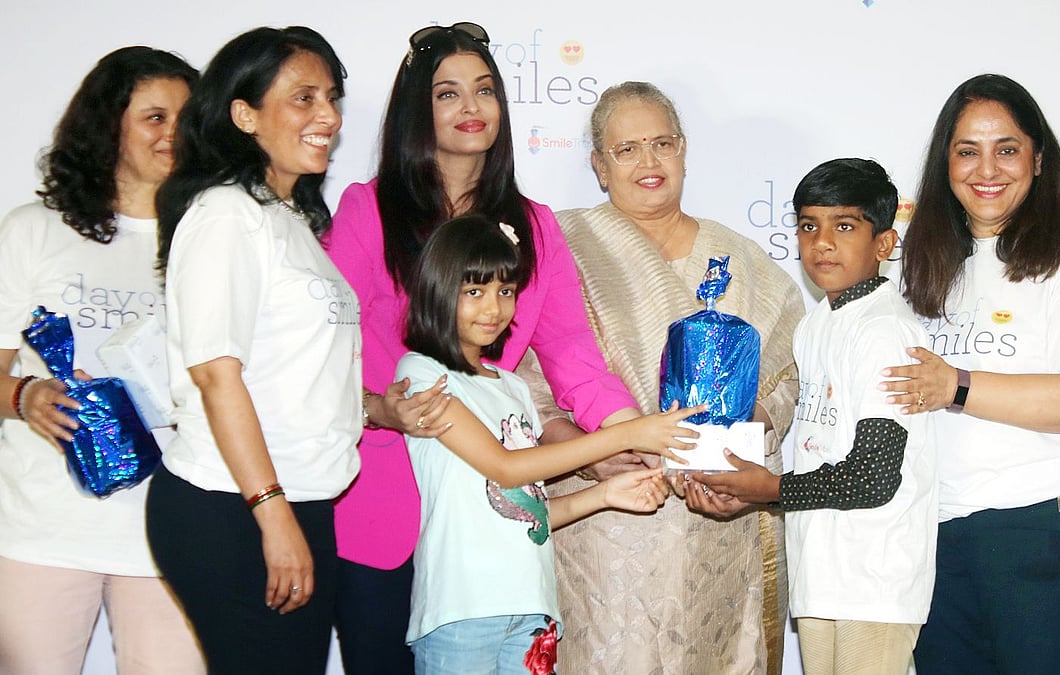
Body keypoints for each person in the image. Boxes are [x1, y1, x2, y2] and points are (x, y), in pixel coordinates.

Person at [322, 21, 639, 673]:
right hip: (380, 504)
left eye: (485, 89)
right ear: (417, 110)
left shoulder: (536, 226)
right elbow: (319, 353)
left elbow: (573, 353)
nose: (472, 106)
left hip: (488, 526)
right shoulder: (369, 209)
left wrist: (627, 435)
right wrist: (379, 408)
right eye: (448, 93)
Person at [518, 81, 804, 674]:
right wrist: (592, 457)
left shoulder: (743, 258)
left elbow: (786, 373)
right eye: (626, 150)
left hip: (721, 524)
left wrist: (743, 435)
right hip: (608, 529)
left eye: (661, 143)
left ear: (683, 150)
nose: (648, 162)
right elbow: (525, 385)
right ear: (599, 166)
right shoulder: (560, 248)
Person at [878, 73, 1060, 674]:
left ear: (1038, 159)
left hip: (1044, 521)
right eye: (968, 151)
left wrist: (956, 386)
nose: (987, 170)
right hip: (935, 529)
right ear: (945, 163)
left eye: (1007, 149)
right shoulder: (917, 265)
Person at [395, 213, 700, 673]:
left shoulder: (513, 388)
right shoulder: (422, 374)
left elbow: (526, 511)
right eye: (474, 291)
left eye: (506, 291)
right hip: (461, 610)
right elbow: (505, 468)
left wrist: (605, 495)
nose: (494, 308)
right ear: (437, 289)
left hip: (532, 608)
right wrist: (627, 434)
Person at [146, 26, 361, 674]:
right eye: (304, 98)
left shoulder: (288, 218)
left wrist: (380, 408)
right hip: (236, 506)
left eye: (331, 98)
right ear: (244, 114)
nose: (328, 116)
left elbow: (293, 373)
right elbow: (218, 377)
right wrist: (272, 514)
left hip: (295, 500)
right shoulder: (225, 214)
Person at [684, 158, 936, 675]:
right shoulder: (816, 323)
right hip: (820, 572)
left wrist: (769, 489)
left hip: (875, 578)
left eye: (844, 226)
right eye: (808, 226)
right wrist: (743, 484)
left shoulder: (884, 330)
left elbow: (873, 476)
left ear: (884, 243)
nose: (821, 242)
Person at [0, 46, 203, 674]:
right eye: (154, 117)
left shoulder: (213, 238)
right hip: (45, 530)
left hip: (175, 527)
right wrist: (25, 396)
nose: (173, 134)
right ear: (106, 125)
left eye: (186, 118)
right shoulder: (34, 230)